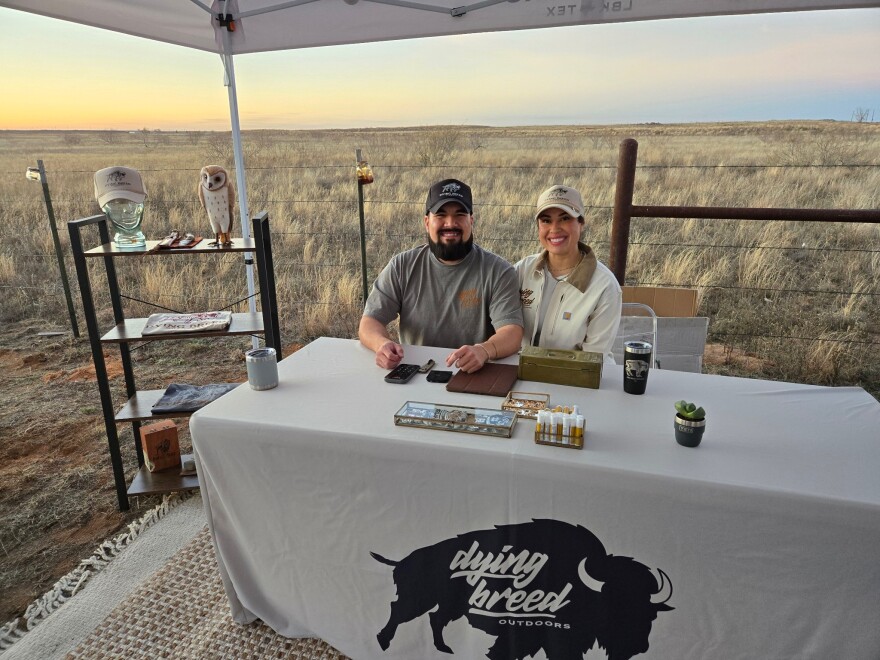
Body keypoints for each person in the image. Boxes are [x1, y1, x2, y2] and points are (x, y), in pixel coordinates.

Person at [359, 179, 524, 373]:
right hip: (417, 372)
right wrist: (382, 345)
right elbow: (370, 322)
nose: (450, 223)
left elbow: (512, 332)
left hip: (473, 372)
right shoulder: (401, 266)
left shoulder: (499, 271)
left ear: (471, 220)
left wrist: (483, 351)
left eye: (460, 215)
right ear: (427, 222)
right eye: (441, 215)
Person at [515, 185, 621, 360]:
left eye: (565, 218)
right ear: (538, 226)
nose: (554, 229)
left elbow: (592, 359)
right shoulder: (522, 270)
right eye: (546, 220)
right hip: (523, 373)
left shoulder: (605, 286)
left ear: (581, 223)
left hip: (576, 378)